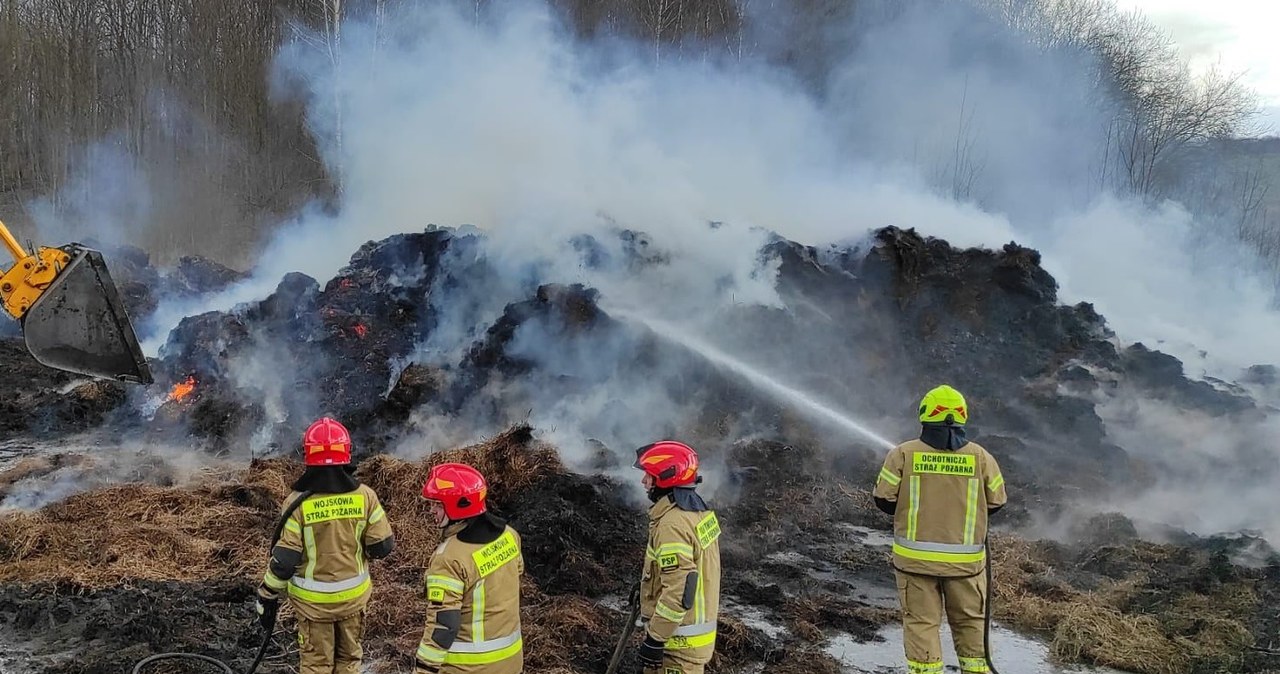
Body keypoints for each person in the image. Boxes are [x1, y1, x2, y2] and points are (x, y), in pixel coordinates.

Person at [873, 385, 1008, 674]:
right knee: (971, 624)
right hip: (967, 567)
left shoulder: (903, 454)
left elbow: (883, 500)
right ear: (962, 417)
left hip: (914, 563)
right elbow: (997, 503)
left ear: (924, 415)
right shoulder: (981, 458)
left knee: (921, 624)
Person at [255, 416, 396, 674]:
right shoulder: (365, 496)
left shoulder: (297, 503)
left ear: (308, 455)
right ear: (346, 453)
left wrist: (267, 592)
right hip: (353, 602)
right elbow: (382, 547)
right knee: (349, 661)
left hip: (314, 607)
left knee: (317, 665)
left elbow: (284, 562)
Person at [413, 463, 524, 674]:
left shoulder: (449, 558)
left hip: (469, 668)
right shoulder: (509, 535)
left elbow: (443, 625)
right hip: (511, 662)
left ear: (457, 505)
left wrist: (423, 669)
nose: (431, 510)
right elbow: (514, 576)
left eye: (437, 505)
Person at [633, 441, 722, 674]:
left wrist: (655, 638)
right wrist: (648, 587)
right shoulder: (698, 513)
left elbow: (680, 588)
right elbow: (696, 568)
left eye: (649, 476)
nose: (644, 482)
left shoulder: (672, 524)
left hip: (676, 646)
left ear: (666, 478)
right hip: (690, 641)